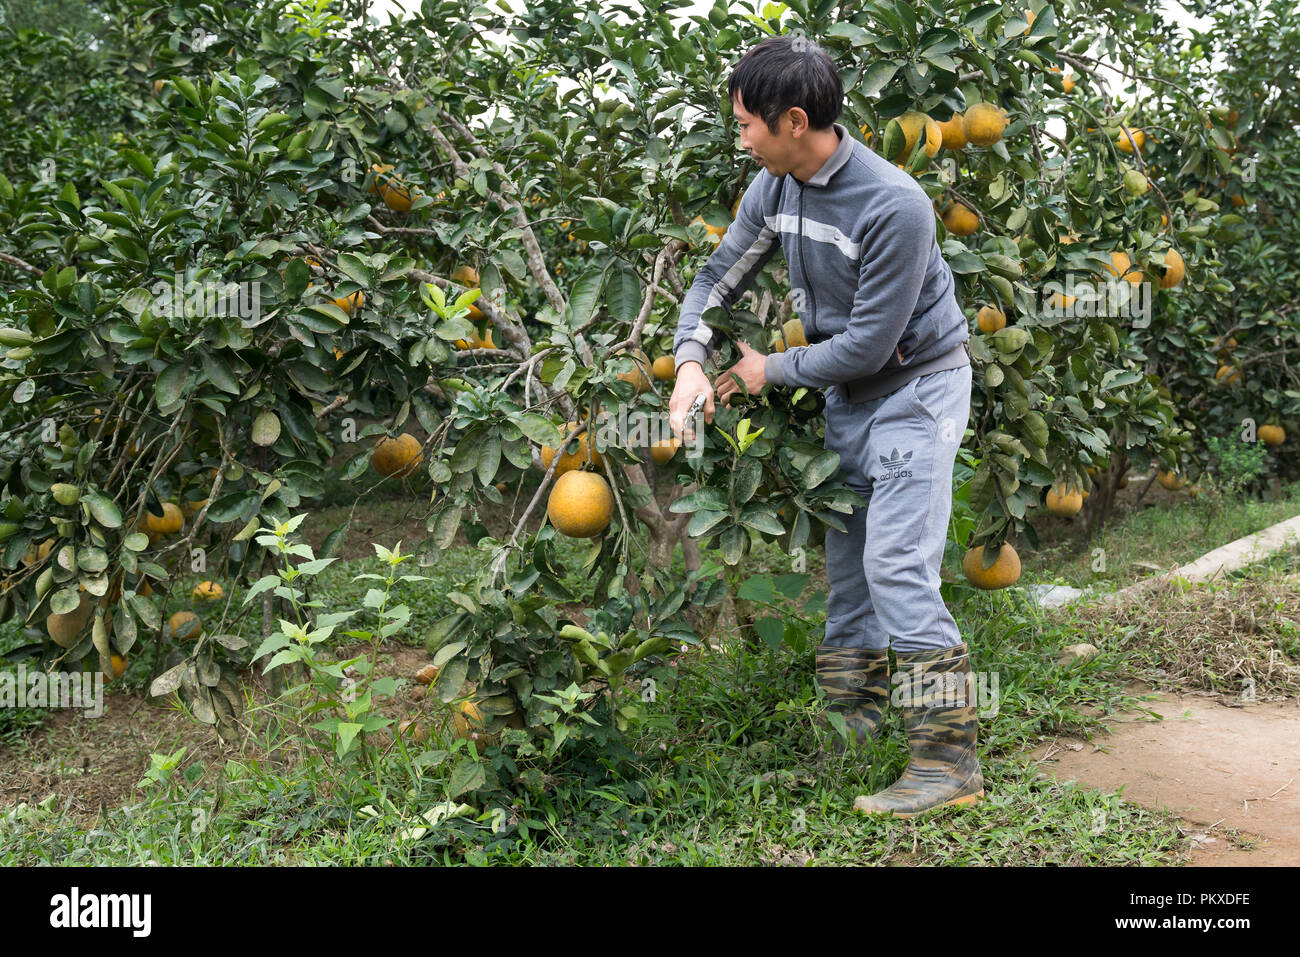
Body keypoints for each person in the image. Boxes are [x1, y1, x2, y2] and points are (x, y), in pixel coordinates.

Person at [667, 34, 983, 818]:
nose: (739, 138)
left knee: (899, 567)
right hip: (850, 397)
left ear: (795, 121)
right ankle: (848, 727)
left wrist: (765, 369)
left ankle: (948, 762)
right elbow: (718, 276)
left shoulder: (892, 204)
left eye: (746, 125)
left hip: (918, 388)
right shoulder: (776, 187)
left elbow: (872, 343)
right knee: (850, 575)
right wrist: (691, 363)